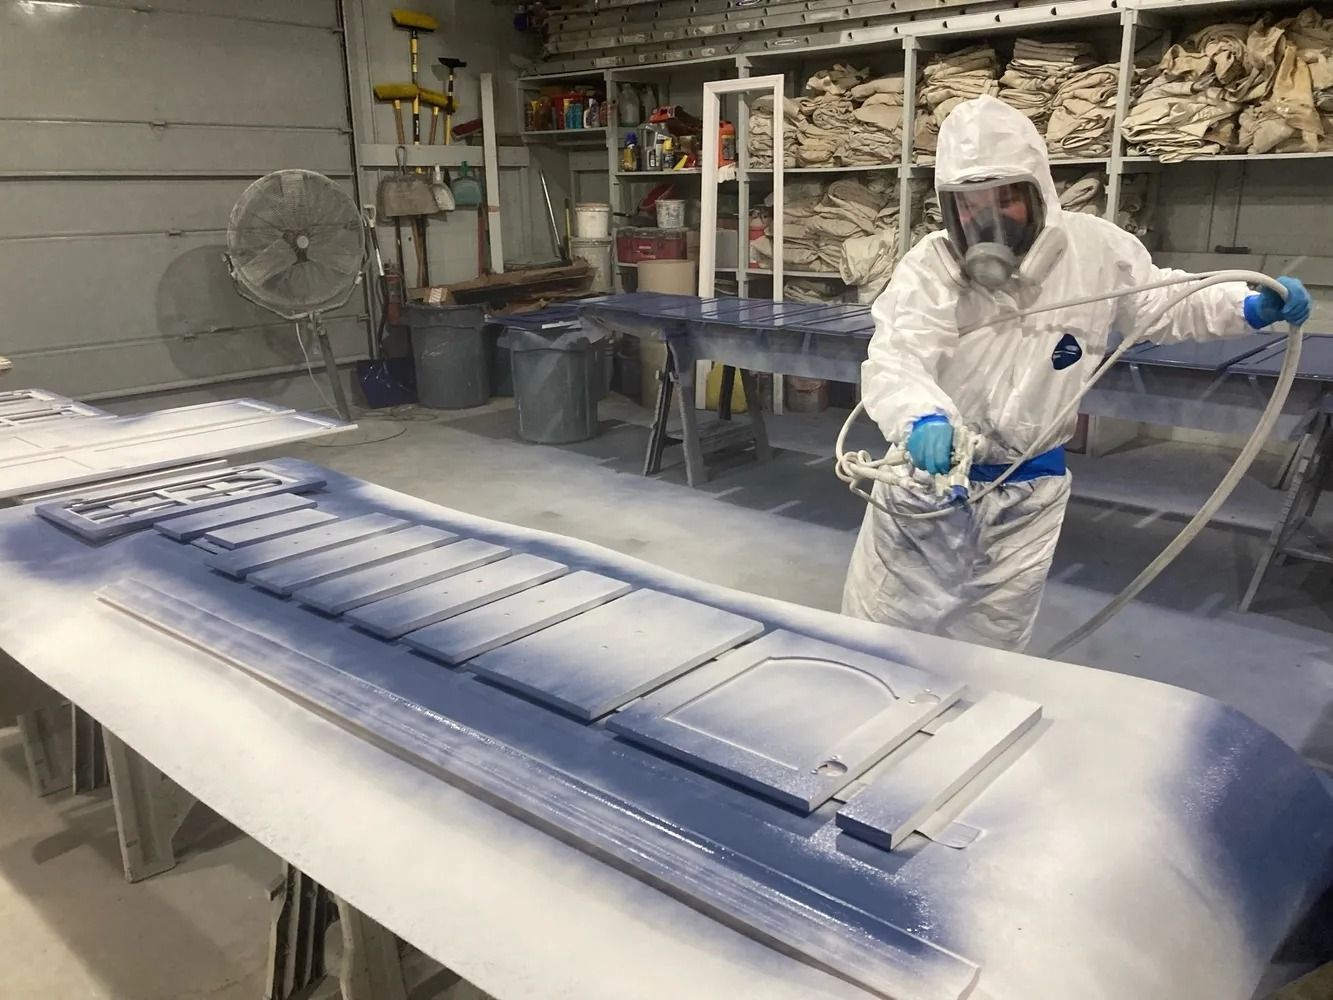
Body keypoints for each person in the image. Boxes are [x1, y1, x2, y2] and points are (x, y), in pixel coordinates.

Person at [841, 95, 1311, 652]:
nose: (984, 219)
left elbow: (1162, 306)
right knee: (882, 635)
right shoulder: (932, 265)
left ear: (1038, 190)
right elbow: (897, 354)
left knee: (992, 646)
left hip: (1027, 495)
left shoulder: (1097, 252)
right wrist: (922, 417)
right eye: (967, 205)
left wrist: (1246, 306)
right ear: (948, 206)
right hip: (929, 485)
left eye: (1004, 199)